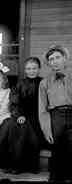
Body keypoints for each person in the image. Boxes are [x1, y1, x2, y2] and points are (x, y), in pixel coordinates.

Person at [39, 45, 72, 181]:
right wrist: (47, 130)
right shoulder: (44, 83)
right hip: (56, 117)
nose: (55, 61)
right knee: (57, 151)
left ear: (65, 58)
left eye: (58, 57)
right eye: (51, 59)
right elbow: (42, 109)